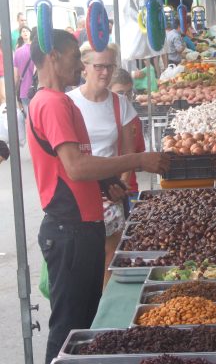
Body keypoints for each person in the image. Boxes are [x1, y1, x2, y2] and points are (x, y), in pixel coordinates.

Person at [27, 29, 169, 364]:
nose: (81, 63)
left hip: (83, 227)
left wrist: (104, 181)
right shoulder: (53, 103)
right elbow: (75, 168)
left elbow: (67, 164)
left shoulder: (58, 101)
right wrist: (137, 159)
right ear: (53, 57)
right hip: (70, 230)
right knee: (69, 330)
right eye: (76, 56)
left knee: (84, 323)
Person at [67, 42, 138, 289]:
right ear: (84, 67)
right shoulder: (68, 103)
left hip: (111, 195)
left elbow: (130, 153)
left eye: (109, 66)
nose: (105, 72)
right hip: (78, 194)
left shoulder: (120, 104)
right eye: (99, 66)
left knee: (109, 260)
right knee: (82, 262)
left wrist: (122, 185)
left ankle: (101, 312)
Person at [109, 68, 146, 204]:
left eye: (128, 93)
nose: (124, 98)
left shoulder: (133, 119)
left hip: (129, 189)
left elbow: (136, 154)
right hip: (106, 189)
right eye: (119, 93)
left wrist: (124, 182)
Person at [14, 27, 35, 113]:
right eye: (24, 31)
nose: (25, 32)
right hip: (37, 89)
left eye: (26, 30)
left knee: (29, 120)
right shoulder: (36, 49)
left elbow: (16, 75)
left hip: (24, 91)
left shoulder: (17, 52)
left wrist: (15, 89)